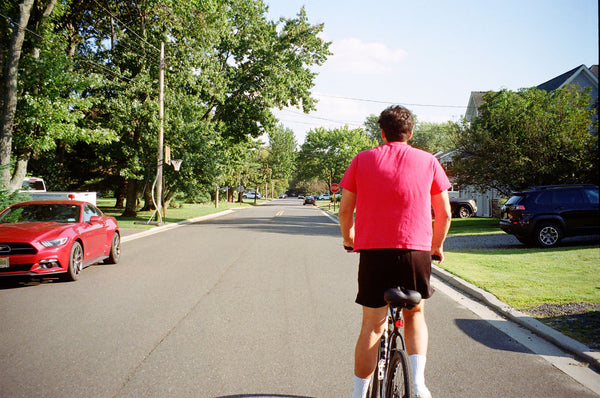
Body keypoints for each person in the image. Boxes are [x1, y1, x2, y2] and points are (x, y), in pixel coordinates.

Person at [339, 105, 452, 398]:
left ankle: (357, 395)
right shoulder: (428, 162)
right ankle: (418, 383)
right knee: (415, 314)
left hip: (374, 253)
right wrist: (436, 246)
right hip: (415, 252)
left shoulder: (362, 160)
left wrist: (349, 239)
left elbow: (345, 211)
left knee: (372, 327)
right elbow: (445, 214)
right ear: (410, 133)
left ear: (381, 132)